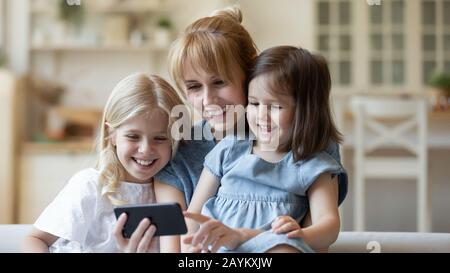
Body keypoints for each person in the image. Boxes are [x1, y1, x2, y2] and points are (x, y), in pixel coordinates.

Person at [154, 6, 347, 252]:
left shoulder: (311, 147)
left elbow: (311, 243)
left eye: (219, 82)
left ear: (250, 74)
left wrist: (246, 237)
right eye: (193, 87)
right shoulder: (183, 152)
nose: (208, 99)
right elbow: (185, 241)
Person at [22, 73, 184, 253]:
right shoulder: (90, 185)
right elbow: (35, 240)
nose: (146, 149)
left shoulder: (173, 192)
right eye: (133, 136)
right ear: (111, 134)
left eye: (160, 138)